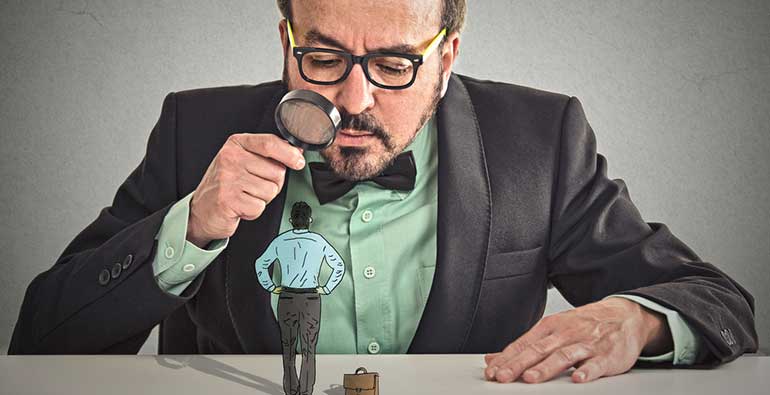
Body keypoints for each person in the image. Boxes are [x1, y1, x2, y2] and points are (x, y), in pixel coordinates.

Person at [9, 0, 757, 385]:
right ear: (286, 41)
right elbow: (41, 337)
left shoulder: (542, 141)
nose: (354, 98)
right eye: (324, 57)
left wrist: (637, 320)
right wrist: (190, 227)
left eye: (395, 62)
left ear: (447, 55)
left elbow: (716, 299)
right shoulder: (193, 129)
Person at [255, 201, 345, 395]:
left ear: (291, 220)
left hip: (286, 297)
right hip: (311, 299)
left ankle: (290, 390)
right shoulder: (319, 241)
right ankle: (306, 391)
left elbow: (260, 264)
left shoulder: (280, 241)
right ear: (310, 220)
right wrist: (327, 288)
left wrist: (271, 287)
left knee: (287, 347)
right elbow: (339, 265)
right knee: (309, 348)